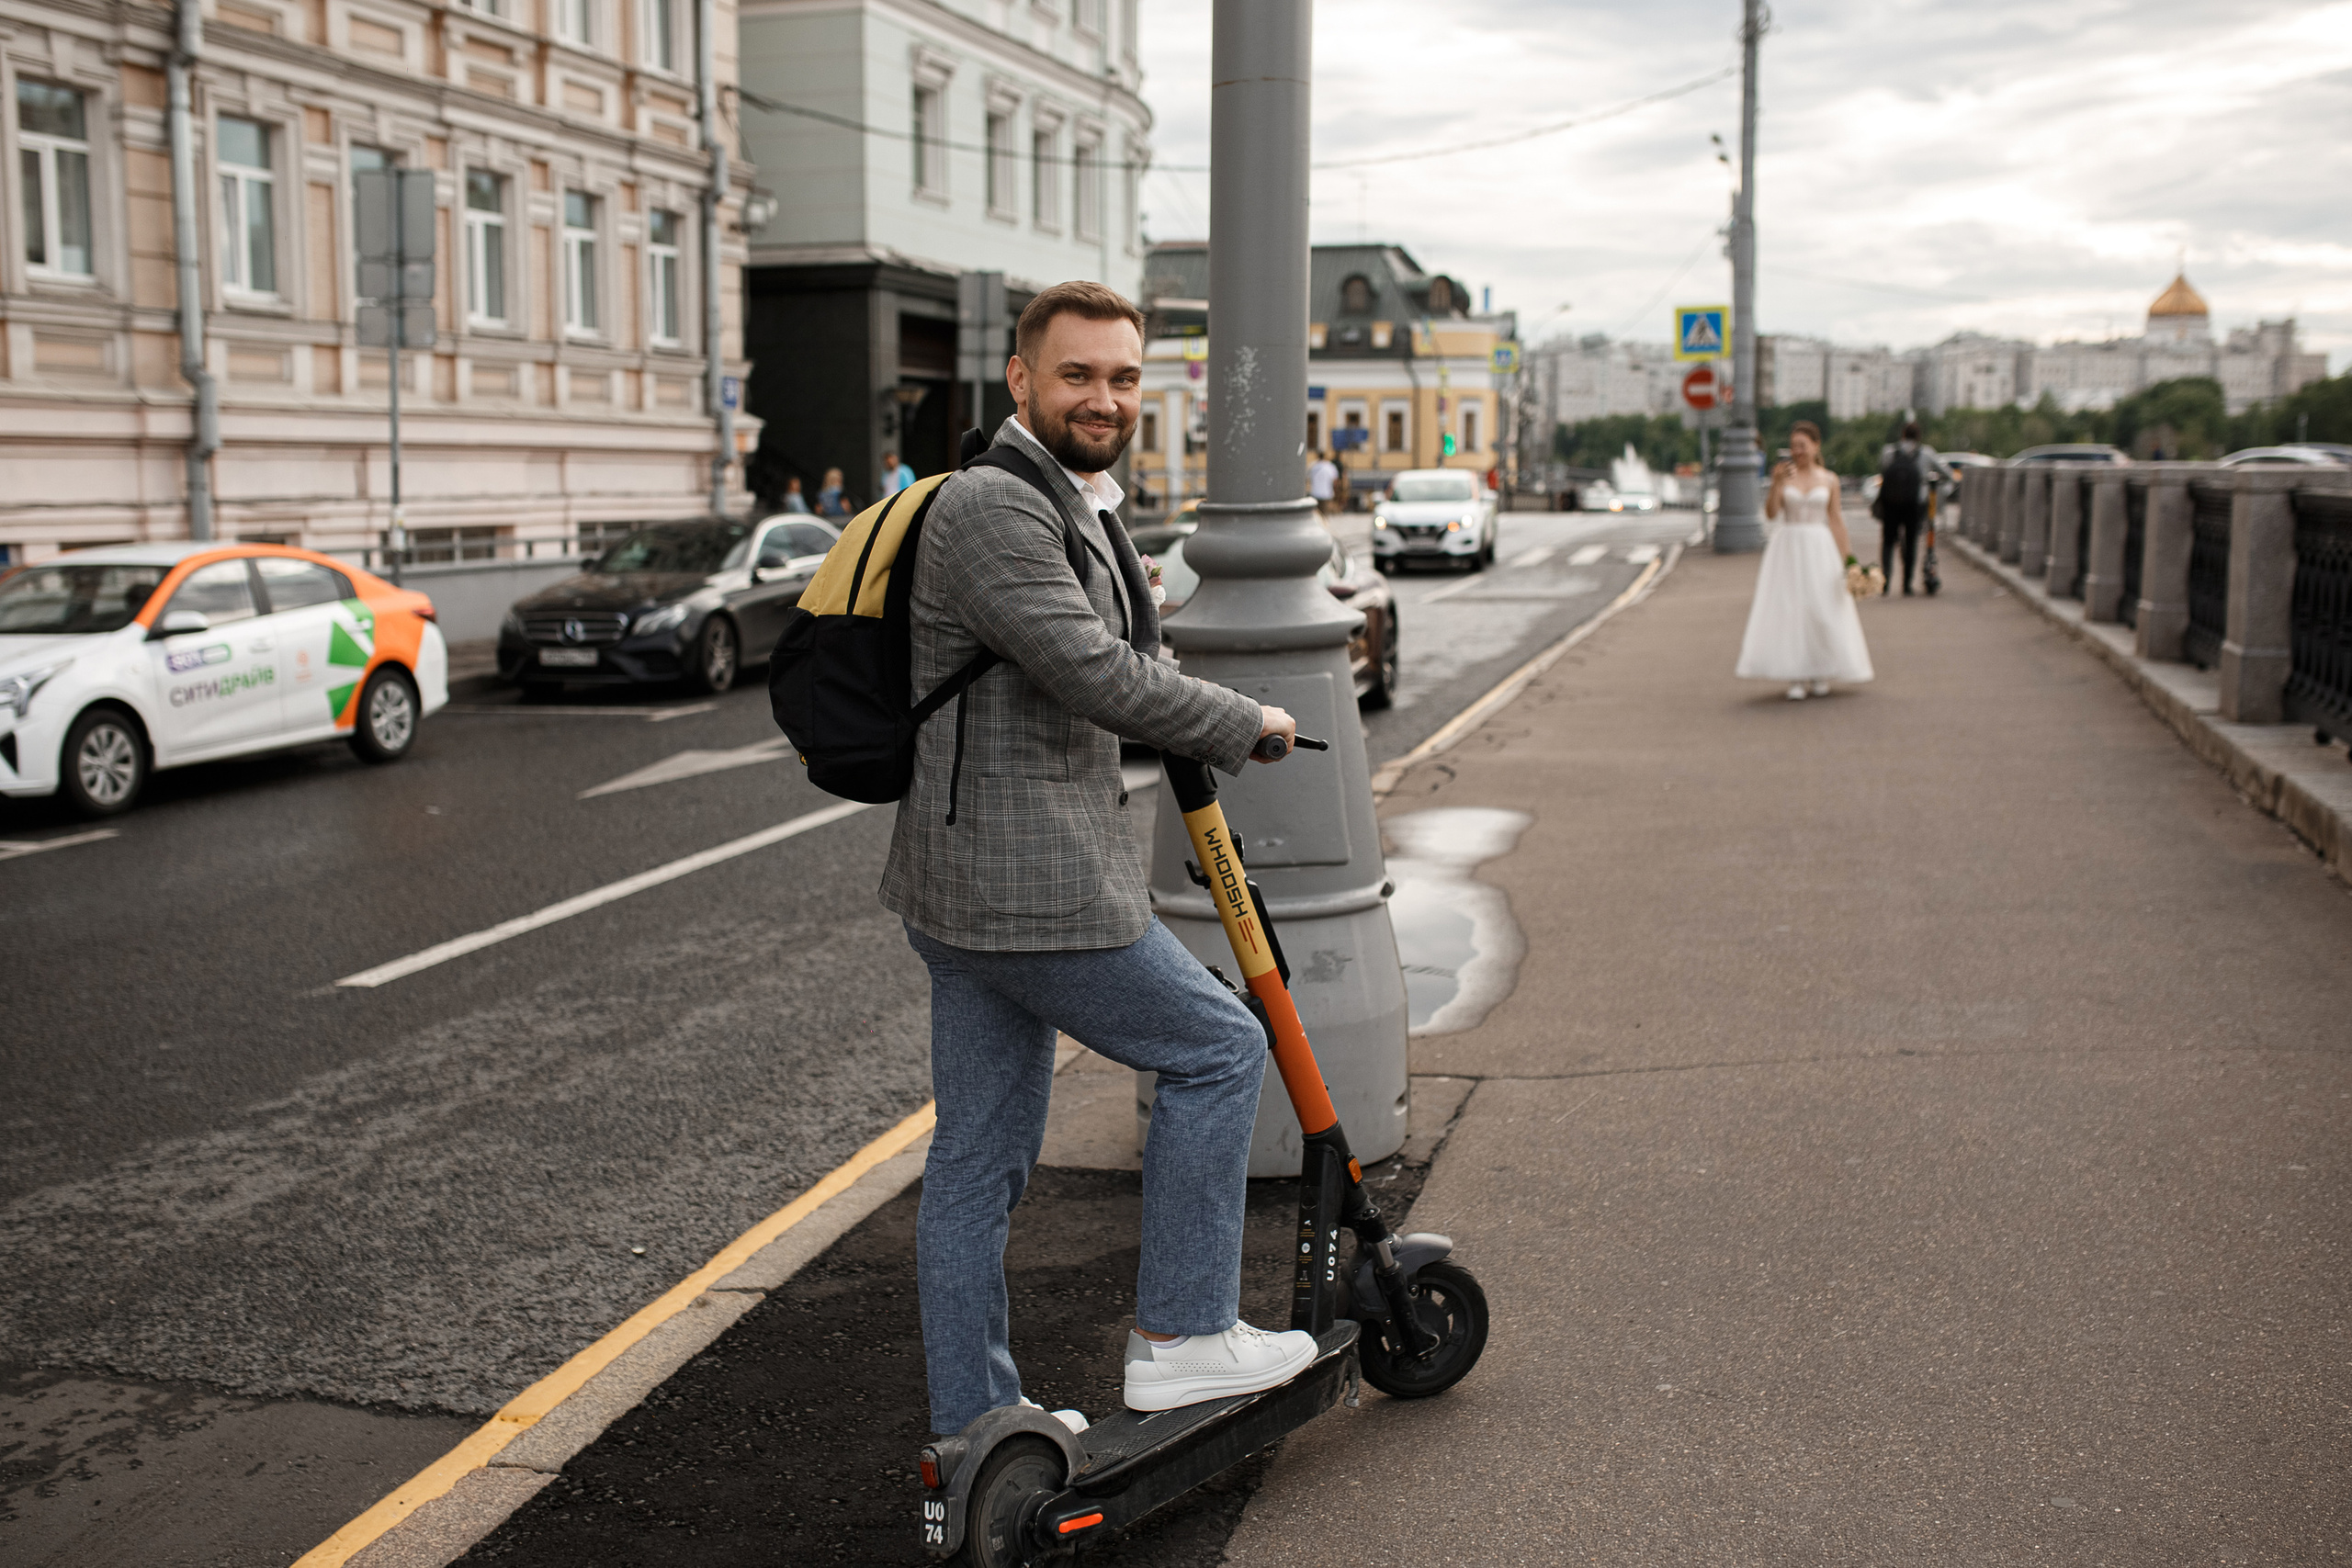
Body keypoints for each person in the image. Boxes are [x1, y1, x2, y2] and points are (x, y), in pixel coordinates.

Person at [887, 279, 1313, 1439]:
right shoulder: (993, 507)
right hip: (1030, 887)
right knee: (1220, 1049)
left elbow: (1119, 648)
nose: (1103, 396)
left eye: (1122, 377)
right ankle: (1181, 1337)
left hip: (972, 878)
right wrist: (1242, 720)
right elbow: (1090, 670)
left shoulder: (1074, 500)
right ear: (1021, 380)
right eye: (1077, 374)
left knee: (978, 1159)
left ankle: (976, 1422)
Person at [1735, 420, 1873, 700]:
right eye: (1793, 446)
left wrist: (1848, 560)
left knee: (1823, 607)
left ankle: (1820, 671)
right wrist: (1775, 484)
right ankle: (1795, 675)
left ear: (1815, 446)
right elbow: (1772, 513)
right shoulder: (1784, 477)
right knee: (1791, 609)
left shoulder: (1830, 479)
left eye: (1802, 445)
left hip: (1820, 547)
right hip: (1788, 547)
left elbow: (1836, 520)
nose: (1797, 451)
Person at [1871, 421, 1942, 596]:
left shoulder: (1889, 452)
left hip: (1891, 504)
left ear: (1902, 434)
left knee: (1888, 541)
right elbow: (1947, 474)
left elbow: (1883, 471)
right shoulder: (1926, 453)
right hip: (1914, 505)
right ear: (1918, 436)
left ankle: (1885, 582)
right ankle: (1906, 585)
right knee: (1911, 543)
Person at [1307, 449, 1339, 516]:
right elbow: (1335, 480)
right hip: (1326, 493)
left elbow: (1308, 479)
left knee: (1316, 514)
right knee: (1324, 514)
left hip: (1315, 492)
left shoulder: (1313, 466)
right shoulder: (1330, 466)